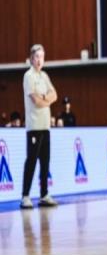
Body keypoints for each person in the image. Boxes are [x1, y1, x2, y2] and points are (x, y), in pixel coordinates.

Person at [21, 44, 58, 209]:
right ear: (31, 58)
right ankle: (25, 196)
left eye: (42, 57)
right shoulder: (28, 76)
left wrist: (44, 98)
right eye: (37, 57)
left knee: (45, 162)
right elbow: (35, 101)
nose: (39, 60)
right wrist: (45, 99)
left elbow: (55, 95)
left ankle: (44, 194)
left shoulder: (44, 76)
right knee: (31, 161)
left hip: (45, 126)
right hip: (34, 126)